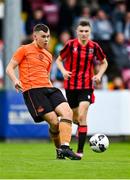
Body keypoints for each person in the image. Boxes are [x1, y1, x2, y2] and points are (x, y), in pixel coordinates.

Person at [6, 24, 81, 160]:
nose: (46, 39)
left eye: (48, 36)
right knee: (53, 122)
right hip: (33, 90)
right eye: (43, 37)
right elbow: (9, 68)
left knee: (67, 112)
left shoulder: (48, 55)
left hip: (49, 88)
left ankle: (65, 147)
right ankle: (59, 150)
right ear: (35, 36)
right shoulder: (24, 49)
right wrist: (15, 80)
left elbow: (46, 76)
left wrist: (51, 87)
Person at [56, 19, 108, 158]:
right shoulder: (70, 45)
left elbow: (104, 62)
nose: (84, 34)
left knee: (82, 115)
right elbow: (59, 60)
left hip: (86, 86)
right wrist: (63, 71)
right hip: (71, 86)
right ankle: (79, 127)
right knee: (74, 118)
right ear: (77, 32)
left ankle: (80, 152)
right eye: (81, 31)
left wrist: (99, 75)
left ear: (90, 32)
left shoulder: (94, 46)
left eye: (86, 31)